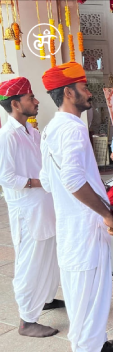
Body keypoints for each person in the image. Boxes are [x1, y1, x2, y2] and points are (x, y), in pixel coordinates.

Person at [40, 61, 113, 352]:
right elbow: (72, 179)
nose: (90, 93)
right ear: (68, 92)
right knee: (91, 296)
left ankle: (94, 344)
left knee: (81, 293)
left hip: (70, 226)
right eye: (85, 88)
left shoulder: (50, 128)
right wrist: (105, 214)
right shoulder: (73, 130)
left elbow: (50, 183)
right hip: (85, 227)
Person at [0, 77, 62, 338]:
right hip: (27, 210)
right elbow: (7, 178)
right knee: (30, 262)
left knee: (50, 256)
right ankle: (27, 319)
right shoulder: (7, 136)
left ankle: (46, 299)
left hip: (44, 205)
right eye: (30, 98)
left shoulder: (32, 131)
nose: (37, 101)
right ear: (15, 103)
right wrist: (42, 182)